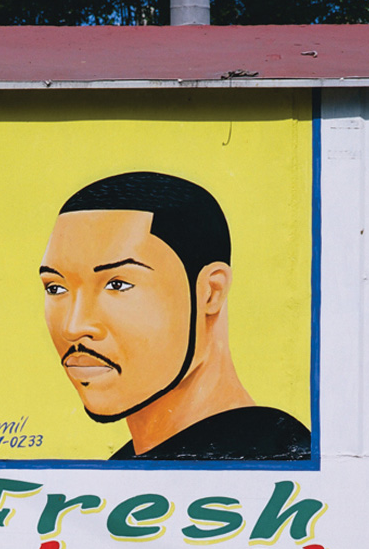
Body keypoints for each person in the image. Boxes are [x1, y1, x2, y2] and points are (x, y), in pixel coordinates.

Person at [38, 171, 310, 462]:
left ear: (210, 291)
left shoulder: (276, 460)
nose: (74, 326)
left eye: (117, 284)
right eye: (56, 287)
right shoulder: (124, 468)